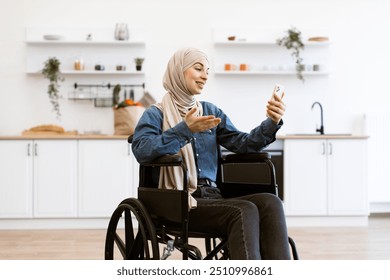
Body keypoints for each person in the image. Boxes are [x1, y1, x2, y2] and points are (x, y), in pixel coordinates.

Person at [131, 47, 290, 260]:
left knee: (271, 202)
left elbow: (243, 144)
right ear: (178, 71)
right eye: (198, 69)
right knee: (244, 210)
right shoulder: (155, 114)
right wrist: (184, 129)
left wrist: (273, 122)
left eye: (207, 70)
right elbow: (142, 151)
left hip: (214, 196)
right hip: (178, 200)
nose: (205, 75)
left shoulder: (210, 111)